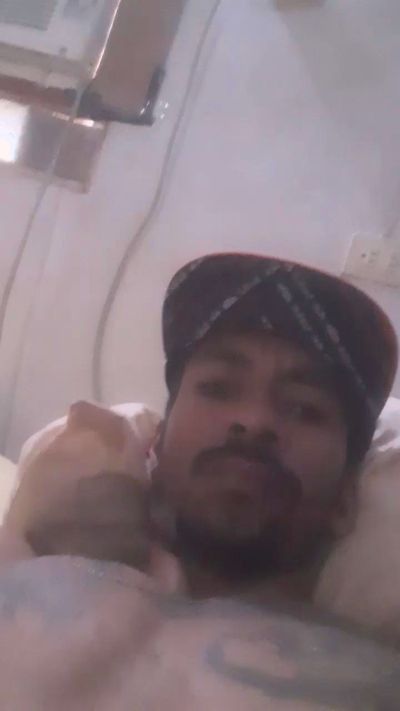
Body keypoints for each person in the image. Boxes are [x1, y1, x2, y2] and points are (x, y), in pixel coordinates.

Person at [0, 252, 399, 710]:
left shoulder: (374, 680)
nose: (254, 420)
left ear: (346, 499)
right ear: (156, 447)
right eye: (218, 388)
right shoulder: (31, 558)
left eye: (304, 408)